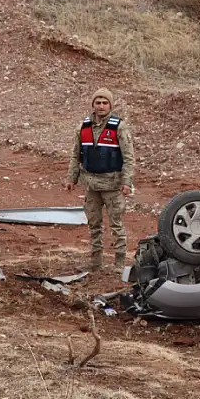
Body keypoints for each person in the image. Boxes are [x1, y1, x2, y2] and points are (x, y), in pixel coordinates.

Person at [65, 87, 134, 270]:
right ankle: (96, 262)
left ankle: (119, 263)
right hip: (91, 185)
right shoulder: (83, 127)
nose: (101, 106)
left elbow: (128, 158)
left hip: (113, 185)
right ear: (93, 105)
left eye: (105, 103)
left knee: (116, 225)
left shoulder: (119, 127)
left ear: (110, 105)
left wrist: (126, 182)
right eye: (98, 102)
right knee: (94, 224)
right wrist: (71, 178)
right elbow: (76, 156)